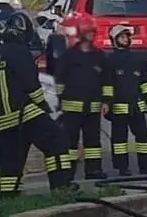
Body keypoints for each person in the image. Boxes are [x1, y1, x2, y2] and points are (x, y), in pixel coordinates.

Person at [0, 14, 74, 196]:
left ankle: (8, 197)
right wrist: (46, 109)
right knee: (57, 139)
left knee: (13, 160)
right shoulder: (19, 51)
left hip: (6, 118)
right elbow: (31, 85)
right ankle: (61, 187)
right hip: (25, 111)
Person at [54, 13, 110, 180]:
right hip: (71, 108)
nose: (92, 34)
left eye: (93, 32)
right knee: (70, 142)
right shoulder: (69, 56)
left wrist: (106, 101)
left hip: (92, 107)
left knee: (93, 141)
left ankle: (93, 171)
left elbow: (106, 80)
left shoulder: (99, 56)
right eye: (89, 32)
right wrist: (59, 100)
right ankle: (68, 173)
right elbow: (59, 80)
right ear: (82, 33)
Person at [106, 25, 147, 176]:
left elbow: (143, 82)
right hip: (119, 108)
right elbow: (107, 85)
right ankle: (122, 168)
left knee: (143, 137)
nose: (126, 39)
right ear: (114, 40)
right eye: (122, 37)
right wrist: (108, 104)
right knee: (120, 140)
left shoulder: (136, 58)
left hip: (137, 107)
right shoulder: (110, 61)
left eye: (127, 37)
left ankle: (145, 167)